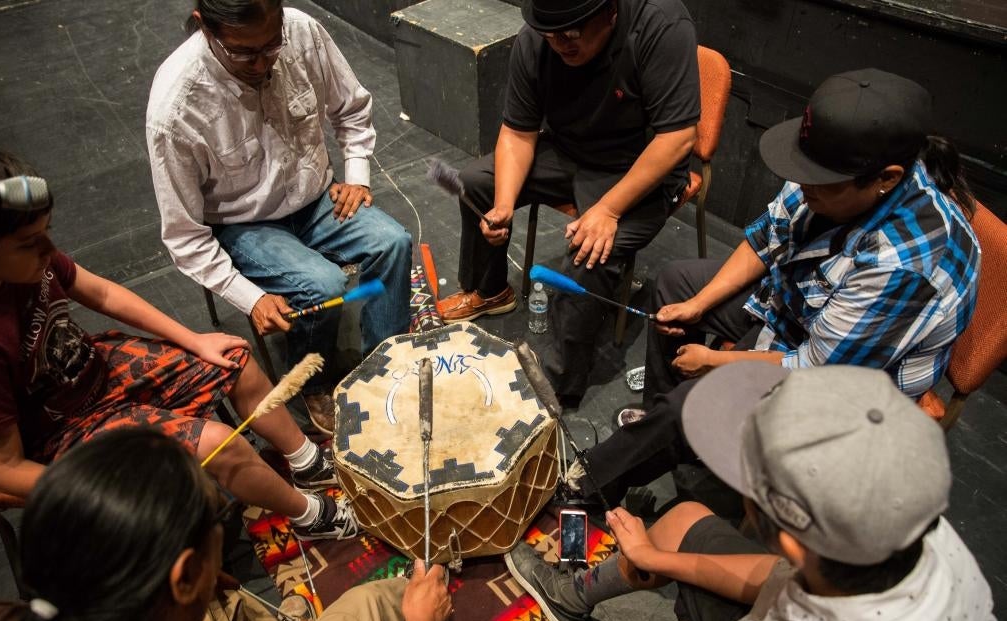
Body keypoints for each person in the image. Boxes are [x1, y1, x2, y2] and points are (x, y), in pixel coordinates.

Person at [569, 68, 980, 500]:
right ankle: (667, 434)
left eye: (818, 184)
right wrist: (700, 304)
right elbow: (768, 237)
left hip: (852, 382)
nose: (802, 188)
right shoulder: (827, 173)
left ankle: (593, 483)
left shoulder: (901, 266)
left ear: (887, 178)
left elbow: (813, 371)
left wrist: (712, 361)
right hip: (805, 310)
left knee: (689, 407)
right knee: (678, 286)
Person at [507, 362, 997, 621]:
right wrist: (655, 560)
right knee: (681, 521)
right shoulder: (917, 527)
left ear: (787, 536)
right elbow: (778, 573)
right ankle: (572, 596)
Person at [0, 144, 355, 540]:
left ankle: (306, 462)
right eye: (28, 243)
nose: (49, 249)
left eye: (46, 233)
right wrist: (100, 492)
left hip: (94, 370)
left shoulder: (26, 256)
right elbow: (3, 467)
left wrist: (194, 341)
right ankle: (311, 517)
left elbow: (102, 294)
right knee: (221, 445)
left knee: (234, 359)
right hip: (62, 429)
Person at [0, 428, 452, 621]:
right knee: (381, 601)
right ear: (183, 576)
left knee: (227, 603)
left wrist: (205, 588)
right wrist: (421, 620)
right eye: (217, 534)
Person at [146, 0, 413, 434]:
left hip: (315, 195)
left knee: (394, 242)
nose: (262, 63)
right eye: (244, 53)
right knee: (321, 284)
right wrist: (250, 298)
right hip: (242, 222)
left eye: (272, 46)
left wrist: (358, 175)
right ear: (204, 27)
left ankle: (387, 363)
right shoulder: (176, 108)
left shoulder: (302, 30)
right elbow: (184, 236)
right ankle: (313, 383)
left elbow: (351, 107)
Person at [437, 0, 700, 404]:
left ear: (610, 13)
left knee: (588, 254)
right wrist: (504, 206)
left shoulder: (660, 25)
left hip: (639, 167)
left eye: (572, 34)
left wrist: (609, 210)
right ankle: (490, 291)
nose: (559, 43)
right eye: (550, 34)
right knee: (478, 185)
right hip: (567, 150)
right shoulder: (538, 37)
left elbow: (678, 138)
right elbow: (518, 132)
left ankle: (555, 384)